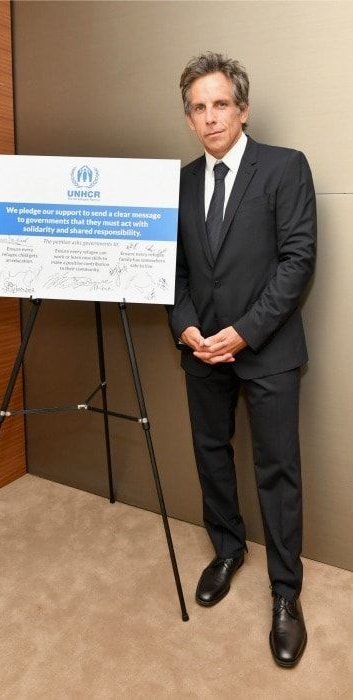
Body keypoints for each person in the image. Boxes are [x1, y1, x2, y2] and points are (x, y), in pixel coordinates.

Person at [168, 52, 316, 667]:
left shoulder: (285, 168)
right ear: (188, 117)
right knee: (212, 454)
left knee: (277, 470)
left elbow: (297, 260)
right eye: (198, 108)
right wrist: (186, 327)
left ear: (243, 108)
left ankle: (286, 593)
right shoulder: (176, 183)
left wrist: (244, 333)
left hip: (269, 351)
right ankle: (228, 549)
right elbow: (170, 272)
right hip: (201, 351)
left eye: (220, 103)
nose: (210, 118)